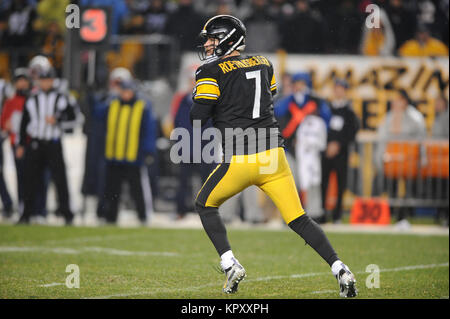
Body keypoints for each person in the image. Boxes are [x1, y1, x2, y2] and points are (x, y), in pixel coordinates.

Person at [190, 15, 357, 297]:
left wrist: (203, 94)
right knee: (299, 218)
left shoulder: (210, 71)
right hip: (273, 156)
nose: (207, 44)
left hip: (241, 158)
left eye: (212, 38)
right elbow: (268, 97)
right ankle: (340, 269)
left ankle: (230, 264)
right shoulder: (265, 63)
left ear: (228, 39)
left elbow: (197, 117)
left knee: (205, 204)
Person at [16, 67, 76, 225]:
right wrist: (21, 144)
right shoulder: (32, 97)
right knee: (30, 180)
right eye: (42, 80)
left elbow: (74, 120)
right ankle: (26, 214)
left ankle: (67, 213)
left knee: (60, 180)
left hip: (53, 143)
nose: (45, 83)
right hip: (35, 143)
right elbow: (24, 123)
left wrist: (58, 121)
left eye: (48, 80)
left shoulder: (62, 97)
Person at [98, 79, 156, 225]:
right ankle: (110, 217)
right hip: (114, 155)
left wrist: (148, 150)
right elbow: (98, 117)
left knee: (137, 190)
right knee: (111, 189)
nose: (126, 94)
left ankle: (143, 216)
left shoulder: (142, 106)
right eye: (123, 91)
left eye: (128, 91)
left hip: (133, 156)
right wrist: (99, 97)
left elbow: (149, 130)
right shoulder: (111, 103)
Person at [320, 79, 360, 224]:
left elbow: (352, 131)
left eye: (341, 88)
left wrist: (338, 145)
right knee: (323, 183)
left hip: (341, 153)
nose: (338, 91)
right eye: (336, 88)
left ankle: (337, 215)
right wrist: (326, 145)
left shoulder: (349, 112)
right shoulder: (326, 108)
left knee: (340, 184)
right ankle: (322, 213)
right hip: (325, 152)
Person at [0, 67, 32, 216]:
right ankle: (21, 207)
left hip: (32, 143)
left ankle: (34, 209)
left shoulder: (33, 99)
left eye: (24, 81)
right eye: (19, 81)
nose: (21, 84)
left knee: (33, 177)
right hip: (16, 142)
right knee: (20, 175)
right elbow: (3, 123)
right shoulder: (11, 102)